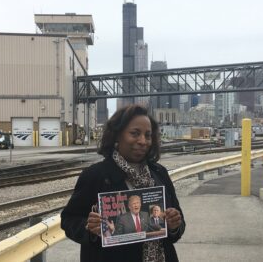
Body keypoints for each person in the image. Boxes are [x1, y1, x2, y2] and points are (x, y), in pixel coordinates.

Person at [61, 104, 186, 262]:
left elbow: (179, 224)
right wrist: (90, 228)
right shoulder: (95, 175)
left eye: (148, 135)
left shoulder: (159, 173)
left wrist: (174, 225)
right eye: (135, 133)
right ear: (117, 135)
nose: (143, 141)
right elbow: (69, 219)